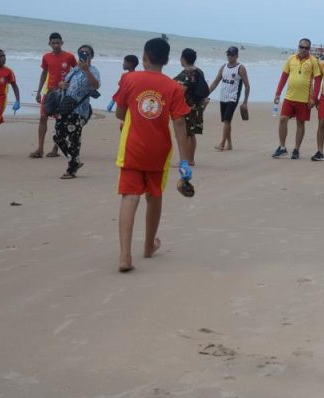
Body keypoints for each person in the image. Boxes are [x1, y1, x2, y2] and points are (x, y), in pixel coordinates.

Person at [112, 37, 193, 273]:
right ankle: (148, 246)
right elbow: (179, 125)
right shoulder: (173, 87)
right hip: (159, 151)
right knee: (154, 196)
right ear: (167, 60)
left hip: (132, 148)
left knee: (130, 196)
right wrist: (185, 160)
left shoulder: (129, 79)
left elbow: (119, 113)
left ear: (144, 57)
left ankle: (125, 256)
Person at [54, 44, 101, 179]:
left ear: (91, 56)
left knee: (74, 138)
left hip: (80, 110)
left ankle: (72, 169)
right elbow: (64, 84)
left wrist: (86, 70)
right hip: (65, 108)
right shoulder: (73, 70)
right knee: (58, 136)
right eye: (81, 52)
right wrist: (61, 85)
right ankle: (75, 160)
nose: (83, 54)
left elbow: (96, 85)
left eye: (86, 53)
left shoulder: (93, 70)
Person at [273, 38, 321, 159]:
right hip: (289, 97)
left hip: (304, 99)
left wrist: (314, 98)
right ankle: (282, 147)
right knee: (283, 119)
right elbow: (284, 77)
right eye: (301, 47)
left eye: (306, 48)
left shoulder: (313, 61)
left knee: (300, 123)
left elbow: (318, 80)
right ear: (298, 47)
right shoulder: (291, 58)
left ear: (309, 49)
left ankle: (296, 149)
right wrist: (278, 93)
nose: (303, 49)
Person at [31, 33, 77, 158]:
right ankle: (40, 149)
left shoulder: (69, 57)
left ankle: (56, 148)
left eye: (58, 42)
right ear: (49, 44)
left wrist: (70, 85)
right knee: (43, 118)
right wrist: (39, 91)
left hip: (63, 93)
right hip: (49, 92)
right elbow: (44, 73)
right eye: (53, 43)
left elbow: (77, 72)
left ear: (62, 42)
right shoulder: (46, 57)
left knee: (60, 121)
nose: (56, 45)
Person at [174, 48, 210, 166]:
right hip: (197, 106)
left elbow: (182, 90)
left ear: (183, 58)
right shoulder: (199, 71)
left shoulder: (187, 73)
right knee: (191, 133)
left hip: (187, 106)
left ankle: (185, 160)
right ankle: (191, 159)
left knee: (185, 134)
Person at [210, 46, 250, 151]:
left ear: (236, 56)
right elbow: (216, 81)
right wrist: (206, 93)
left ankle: (222, 143)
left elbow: (247, 86)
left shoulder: (241, 68)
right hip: (223, 97)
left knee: (227, 120)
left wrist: (245, 102)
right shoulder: (223, 67)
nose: (229, 56)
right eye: (228, 54)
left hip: (233, 97)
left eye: (232, 55)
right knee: (226, 121)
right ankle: (230, 144)